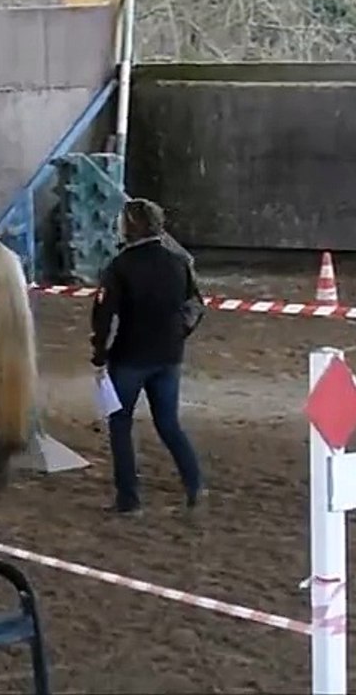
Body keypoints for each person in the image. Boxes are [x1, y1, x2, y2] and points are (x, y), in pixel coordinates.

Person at [90, 198, 205, 515]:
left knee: (120, 423)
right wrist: (177, 336)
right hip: (169, 357)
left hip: (129, 357)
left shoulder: (120, 267)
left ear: (129, 227)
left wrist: (99, 355)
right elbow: (196, 306)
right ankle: (194, 483)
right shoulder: (178, 262)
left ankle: (129, 500)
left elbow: (103, 316)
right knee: (169, 423)